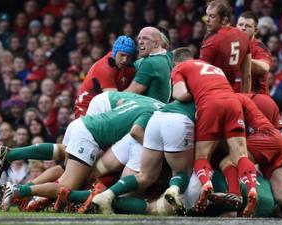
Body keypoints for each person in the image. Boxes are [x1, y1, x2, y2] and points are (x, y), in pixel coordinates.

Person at [0, 93, 163, 212]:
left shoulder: (148, 100)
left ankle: (12, 156)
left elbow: (120, 101)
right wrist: (156, 148)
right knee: (67, 186)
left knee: (64, 163)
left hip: (82, 124)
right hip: (90, 135)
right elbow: (136, 131)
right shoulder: (157, 112)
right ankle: (20, 191)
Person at [171, 47, 257, 217]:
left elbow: (180, 94)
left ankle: (206, 183)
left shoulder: (179, 68)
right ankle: (252, 188)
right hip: (233, 101)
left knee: (202, 156)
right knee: (241, 155)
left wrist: (194, 92)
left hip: (210, 103)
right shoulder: (211, 67)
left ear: (175, 61)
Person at [89, 100, 196, 215]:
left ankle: (105, 195)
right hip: (175, 124)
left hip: (154, 120)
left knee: (145, 176)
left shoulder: (165, 101)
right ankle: (174, 188)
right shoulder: (208, 99)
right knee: (181, 173)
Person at [74, 35, 136, 118]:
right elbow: (114, 99)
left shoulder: (129, 66)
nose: (125, 60)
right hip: (85, 106)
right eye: (122, 55)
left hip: (103, 107)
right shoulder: (104, 67)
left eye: (128, 56)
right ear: (115, 52)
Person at [200, 0, 252, 93]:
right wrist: (245, 99)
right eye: (207, 15)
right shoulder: (243, 36)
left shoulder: (212, 40)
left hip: (215, 93)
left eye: (212, 16)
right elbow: (247, 74)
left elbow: (201, 74)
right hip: (236, 94)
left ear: (224, 20)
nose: (207, 19)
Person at [125, 26, 173, 103]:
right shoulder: (168, 57)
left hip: (149, 111)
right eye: (139, 38)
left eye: (145, 38)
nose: (140, 42)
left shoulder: (149, 63)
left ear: (157, 43)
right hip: (162, 108)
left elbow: (128, 94)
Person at [236, 11, 272, 94]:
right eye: (240, 25)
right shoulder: (231, 44)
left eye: (247, 26)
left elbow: (264, 68)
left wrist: (238, 59)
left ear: (255, 31)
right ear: (236, 26)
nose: (243, 28)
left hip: (258, 96)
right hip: (236, 96)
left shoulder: (259, 47)